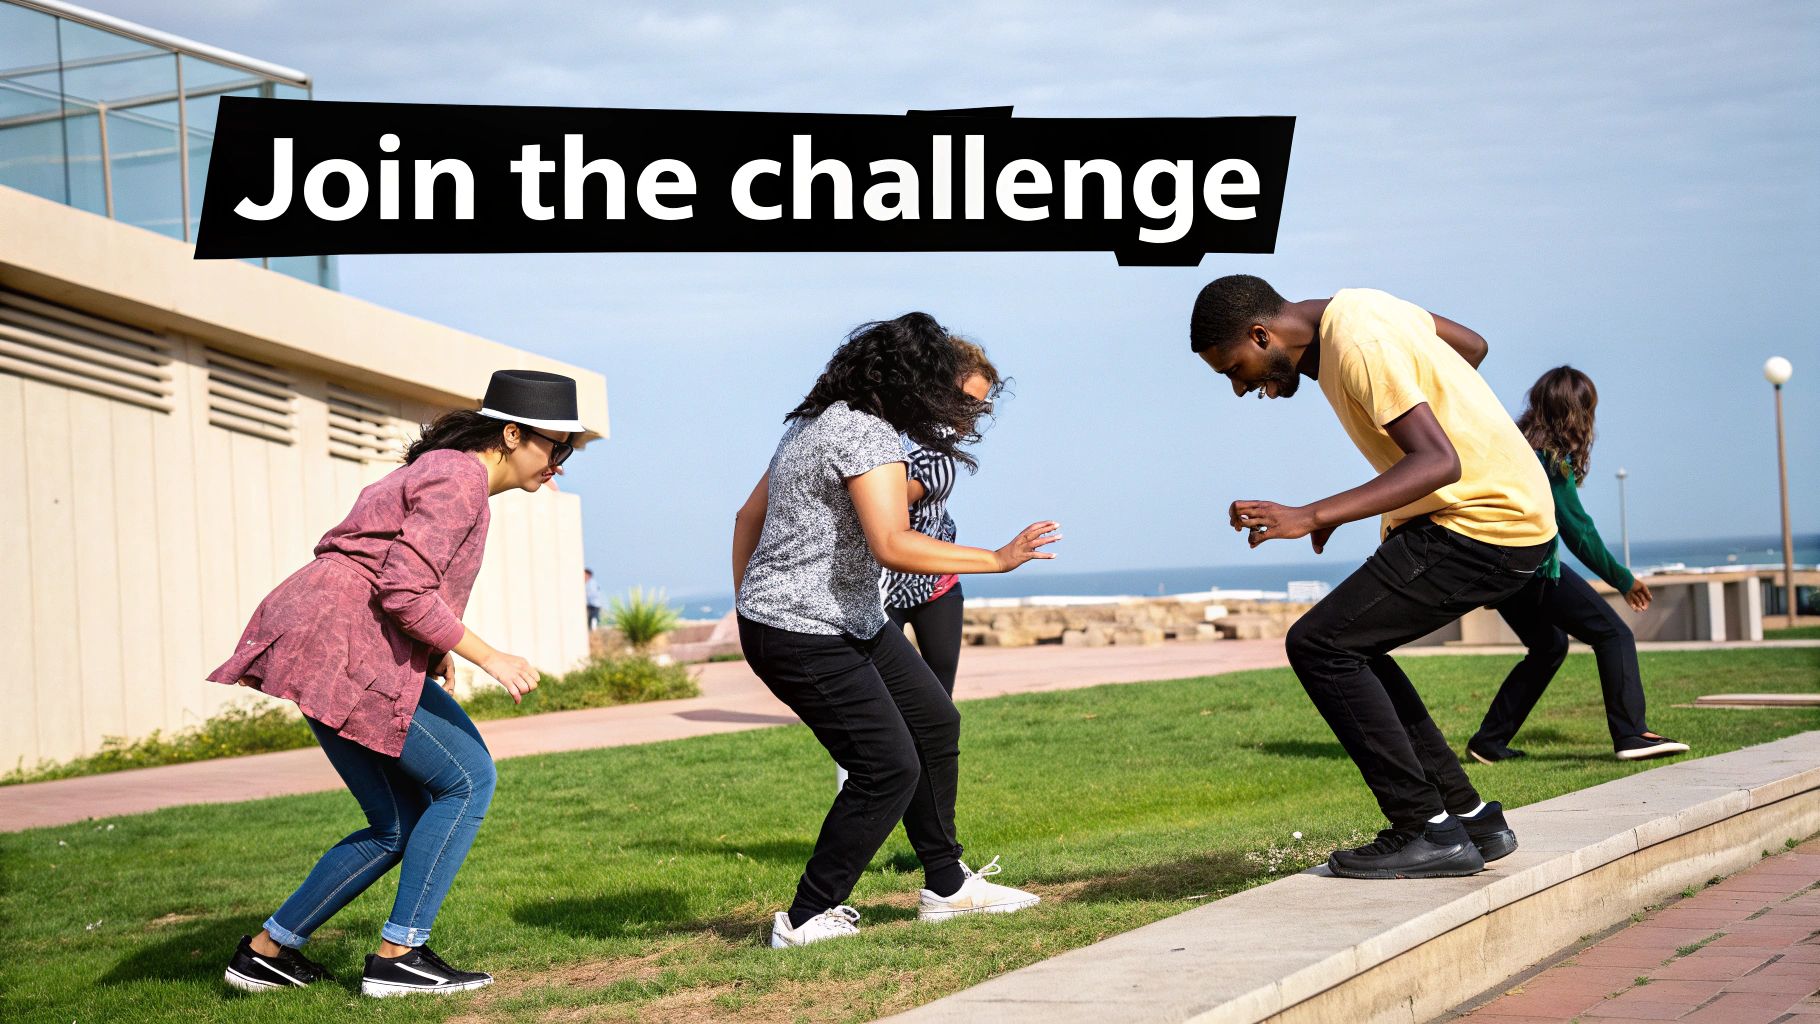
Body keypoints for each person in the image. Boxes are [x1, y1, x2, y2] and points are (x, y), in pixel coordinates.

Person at [210, 370, 587, 997]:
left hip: (337, 637)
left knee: (397, 823)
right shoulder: (460, 478)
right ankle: (398, 957)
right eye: (557, 447)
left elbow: (398, 575)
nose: (561, 465)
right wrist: (489, 655)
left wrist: (432, 645)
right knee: (468, 780)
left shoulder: (451, 472)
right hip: (346, 643)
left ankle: (265, 953)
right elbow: (403, 587)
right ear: (514, 433)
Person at [1190, 276, 1556, 880]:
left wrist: (1313, 513)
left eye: (1235, 368)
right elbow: (1473, 346)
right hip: (1493, 516)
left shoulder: (1356, 343)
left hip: (1484, 524)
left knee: (1319, 645)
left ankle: (1426, 830)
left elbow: (1439, 461)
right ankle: (1470, 819)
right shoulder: (1364, 309)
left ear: (1262, 334)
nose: (1239, 387)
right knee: (1351, 645)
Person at [733, 312, 1056, 947]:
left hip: (846, 620)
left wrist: (749, 597)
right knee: (887, 767)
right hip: (805, 633)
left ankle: (947, 885)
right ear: (909, 380)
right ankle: (806, 917)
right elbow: (892, 543)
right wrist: (995, 558)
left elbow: (747, 516)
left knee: (935, 720)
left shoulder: (814, 424)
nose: (949, 409)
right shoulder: (864, 436)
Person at [1467, 367, 1690, 763]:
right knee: (1613, 635)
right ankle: (1631, 734)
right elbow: (1578, 531)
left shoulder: (1513, 448)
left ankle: (1488, 742)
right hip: (1531, 568)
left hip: (1498, 568)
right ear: (1575, 414)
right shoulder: (1549, 460)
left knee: (1548, 646)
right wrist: (1623, 579)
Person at [880, 338, 1003, 696]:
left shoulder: (939, 446)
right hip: (884, 588)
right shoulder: (918, 449)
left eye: (981, 405)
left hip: (937, 585)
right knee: (895, 705)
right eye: (967, 401)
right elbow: (881, 511)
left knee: (938, 704)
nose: (973, 413)